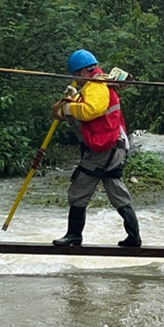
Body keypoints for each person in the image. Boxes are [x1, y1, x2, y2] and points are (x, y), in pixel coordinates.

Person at [51, 49, 142, 248]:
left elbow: (91, 110)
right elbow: (94, 107)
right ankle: (134, 237)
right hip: (114, 147)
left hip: (103, 149)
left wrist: (68, 108)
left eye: (76, 75)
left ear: (83, 72)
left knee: (79, 190)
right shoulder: (100, 84)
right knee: (117, 191)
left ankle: (74, 235)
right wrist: (75, 98)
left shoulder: (96, 86)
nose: (76, 79)